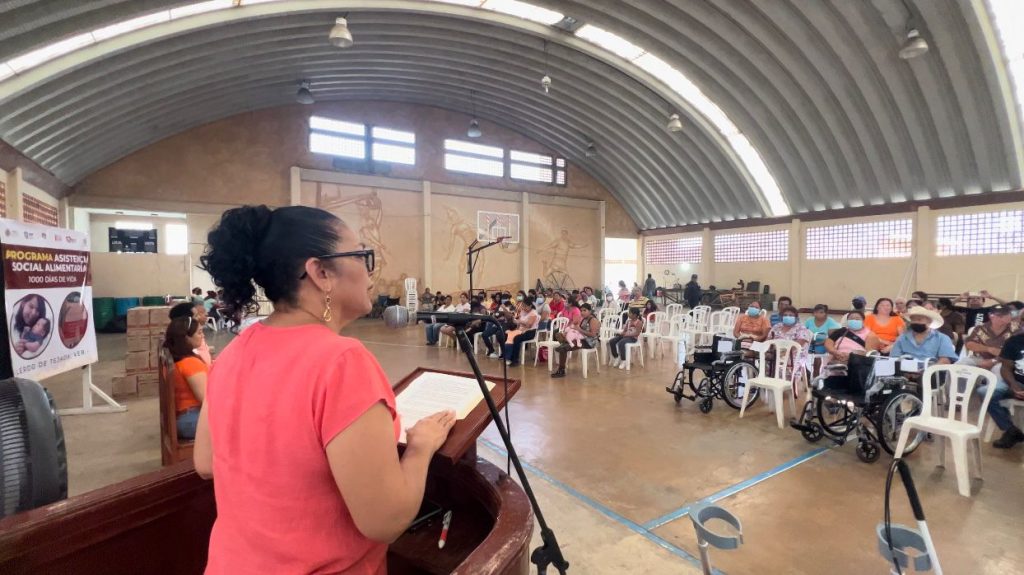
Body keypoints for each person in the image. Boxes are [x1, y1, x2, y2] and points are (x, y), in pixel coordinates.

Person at [195, 205, 455, 573]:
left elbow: (205, 462)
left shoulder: (236, 350)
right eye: (362, 256)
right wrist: (420, 448)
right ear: (321, 273)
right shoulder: (341, 361)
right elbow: (385, 520)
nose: (369, 272)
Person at [163, 316, 208, 439]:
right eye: (199, 332)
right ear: (186, 338)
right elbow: (206, 399)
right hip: (192, 419)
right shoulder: (190, 363)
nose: (203, 336)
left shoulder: (178, 359)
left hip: (185, 417)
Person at [987, 332, 1024, 448]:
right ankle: (1011, 430)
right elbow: (1005, 368)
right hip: (1019, 384)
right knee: (986, 392)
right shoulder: (1015, 341)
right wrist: (1014, 385)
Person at [888, 306, 957, 364]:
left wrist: (927, 372)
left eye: (919, 319)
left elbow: (945, 361)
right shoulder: (902, 338)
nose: (915, 322)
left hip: (930, 373)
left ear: (929, 321)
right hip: (905, 372)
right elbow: (894, 358)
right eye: (913, 320)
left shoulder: (942, 338)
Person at [551, 303, 600, 378]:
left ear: (590, 311)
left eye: (585, 310)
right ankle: (564, 343)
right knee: (562, 337)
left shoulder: (593, 320)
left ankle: (561, 370)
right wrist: (570, 331)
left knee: (564, 347)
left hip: (589, 342)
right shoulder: (584, 319)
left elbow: (593, 335)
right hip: (581, 338)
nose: (582, 312)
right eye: (581, 311)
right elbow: (578, 329)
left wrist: (579, 330)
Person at [958, 306, 1014, 370]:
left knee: (998, 369)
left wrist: (994, 361)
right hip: (980, 358)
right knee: (961, 364)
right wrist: (989, 349)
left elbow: (1016, 350)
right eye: (999, 316)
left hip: (1004, 361)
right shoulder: (981, 328)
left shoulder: (1016, 329)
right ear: (990, 316)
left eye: (1005, 315)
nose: (1002, 318)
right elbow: (969, 344)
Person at [767, 307, 812, 378]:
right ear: (781, 317)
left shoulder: (801, 328)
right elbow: (768, 340)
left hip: (794, 355)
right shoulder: (777, 326)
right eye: (785, 315)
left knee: (782, 366)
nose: (787, 317)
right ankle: (768, 382)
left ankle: (786, 383)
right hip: (776, 353)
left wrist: (782, 353)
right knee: (764, 361)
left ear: (796, 317)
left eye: (791, 315)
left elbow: (798, 345)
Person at [503, 301, 540, 367]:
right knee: (507, 335)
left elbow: (529, 325)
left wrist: (519, 322)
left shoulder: (533, 313)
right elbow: (518, 322)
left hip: (530, 332)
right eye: (523, 306)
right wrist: (516, 325)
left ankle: (515, 360)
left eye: (525, 306)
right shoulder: (523, 311)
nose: (524, 308)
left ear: (530, 306)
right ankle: (507, 356)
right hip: (520, 330)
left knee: (516, 338)